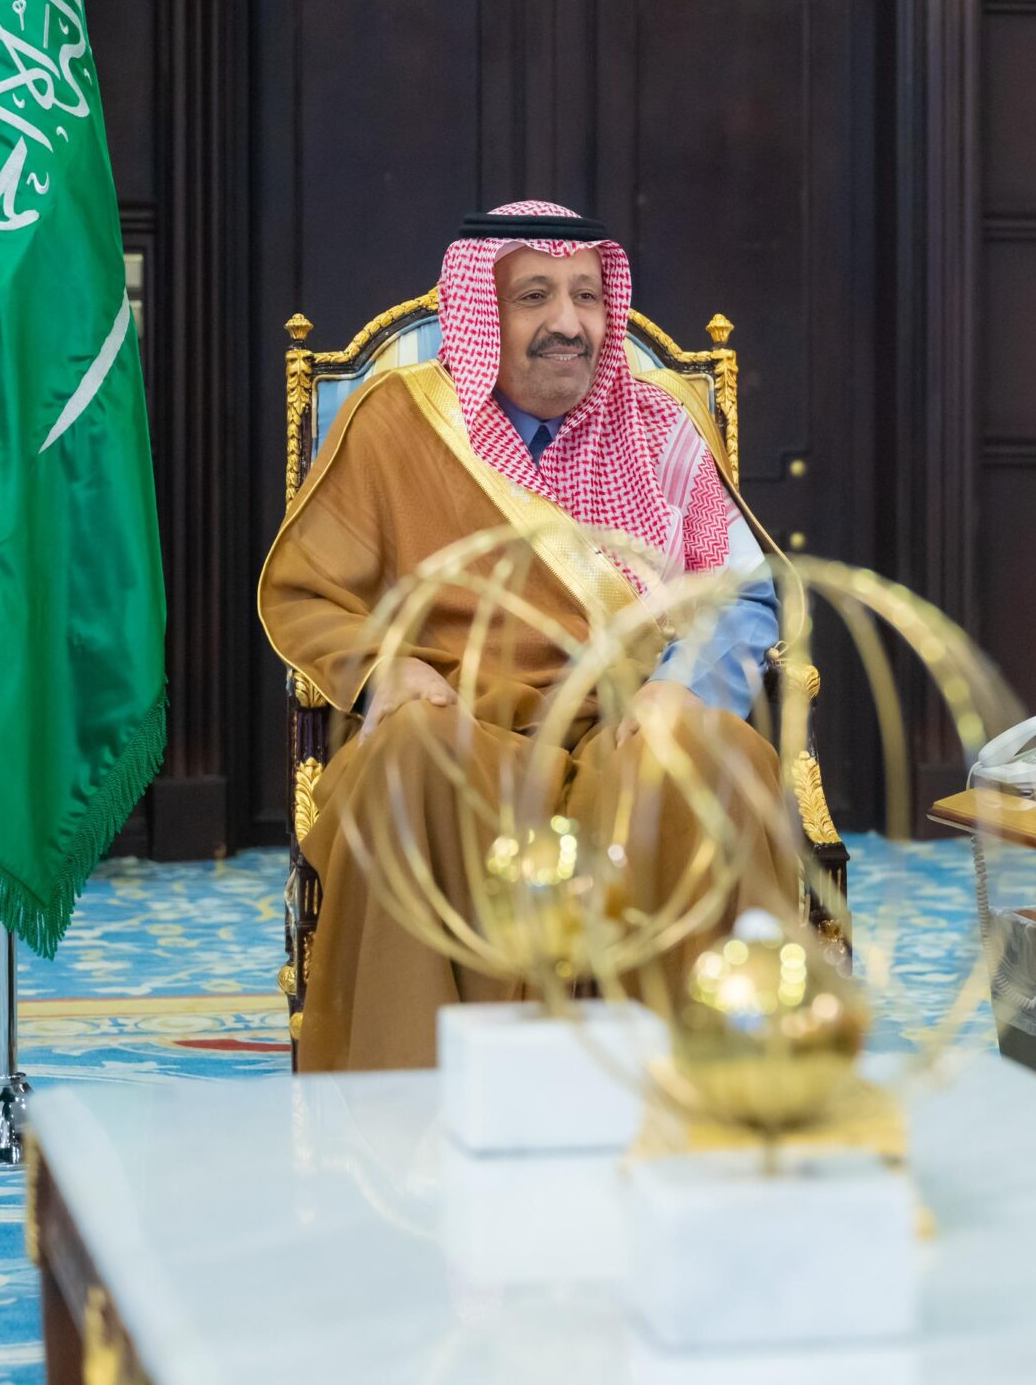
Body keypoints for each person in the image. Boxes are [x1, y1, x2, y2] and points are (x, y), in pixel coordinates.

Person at [261, 200, 795, 1071]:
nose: (568, 324)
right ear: (479, 311)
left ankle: (697, 1096)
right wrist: (383, 671)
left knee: (710, 757)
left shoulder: (659, 424)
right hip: (458, 726)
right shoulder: (396, 422)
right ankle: (416, 1103)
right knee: (407, 759)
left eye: (587, 295)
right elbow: (308, 593)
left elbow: (740, 593)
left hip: (624, 722)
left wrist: (681, 688)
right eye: (534, 296)